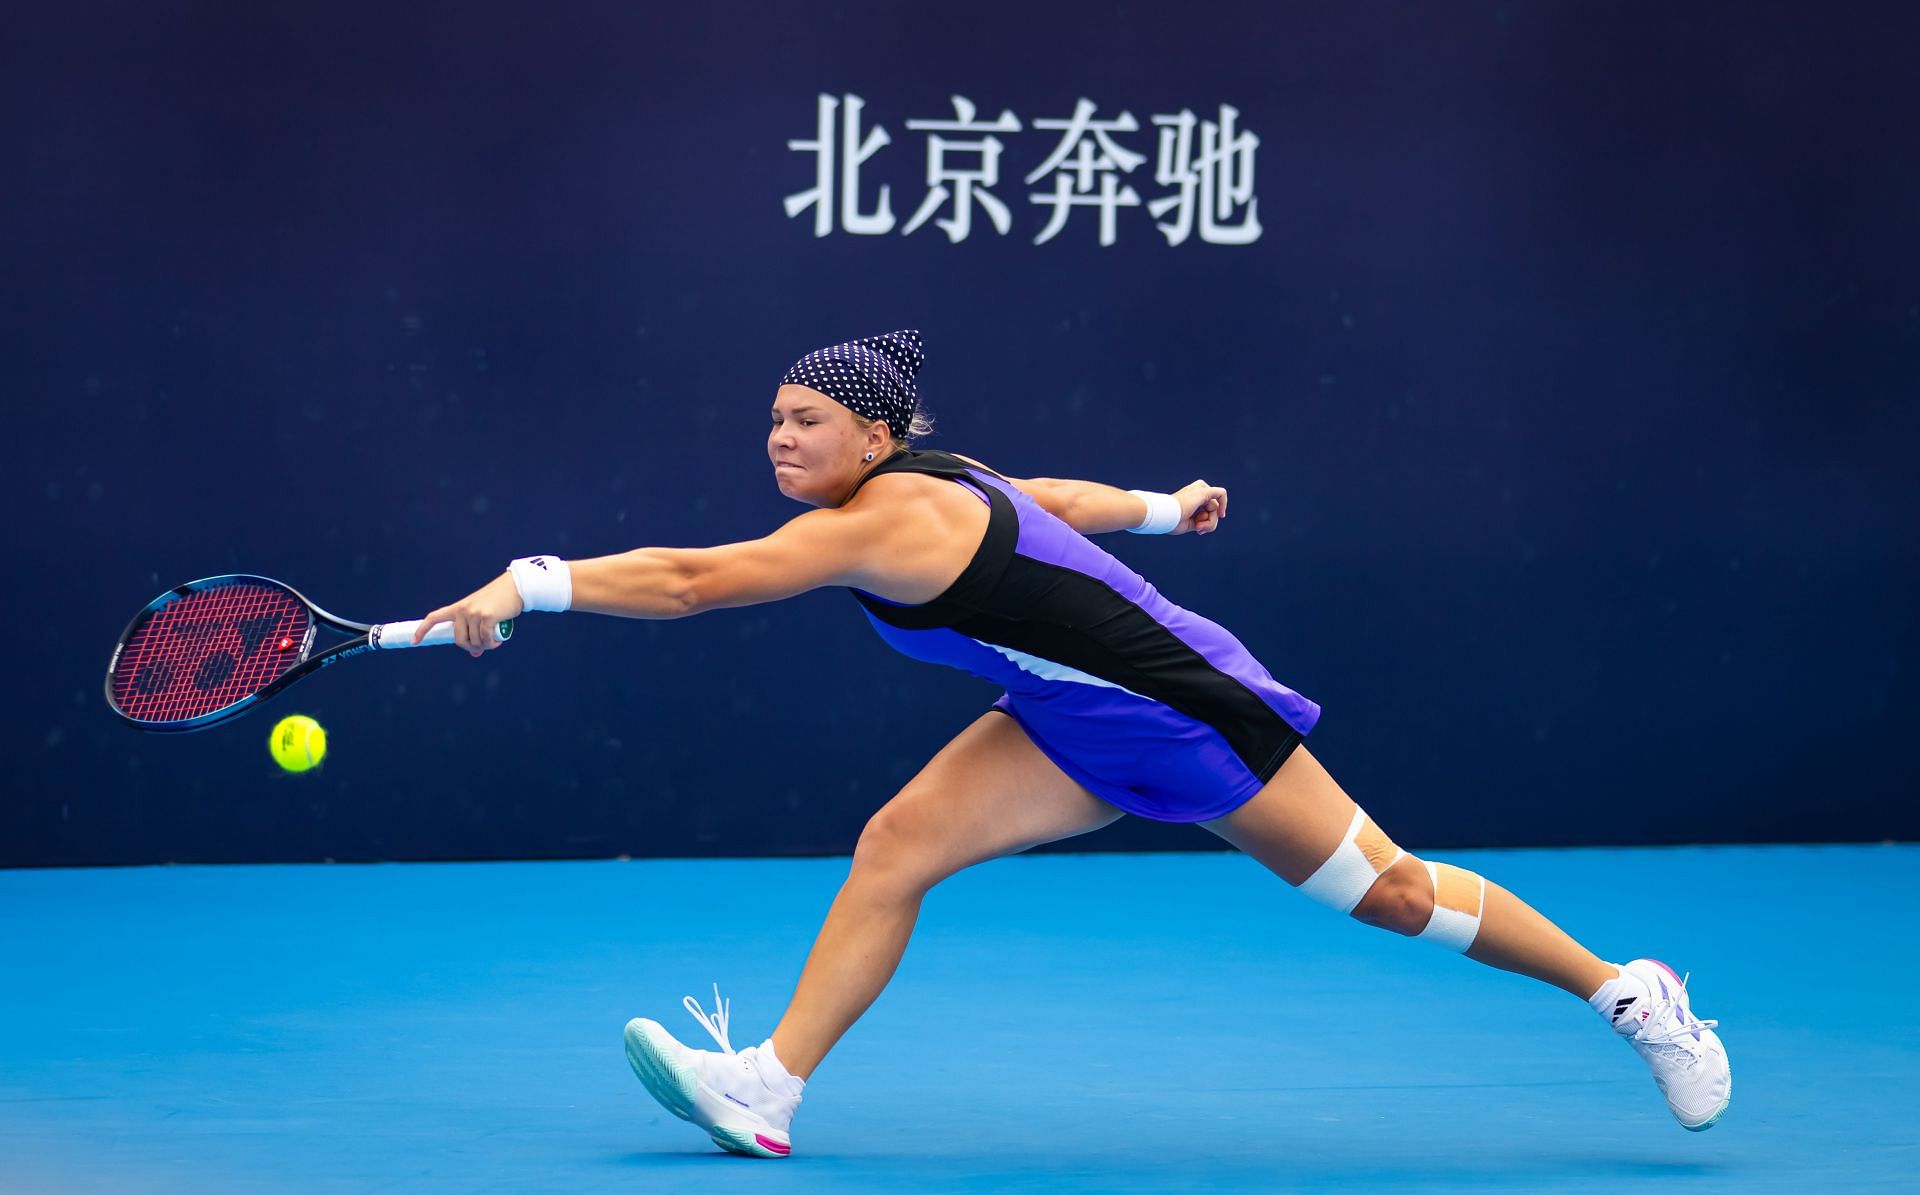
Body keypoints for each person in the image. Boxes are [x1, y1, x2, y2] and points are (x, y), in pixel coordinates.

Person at [415, 330, 1731, 1159]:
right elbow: (1061, 499)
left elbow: (697, 582)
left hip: (1185, 711)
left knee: (1385, 894)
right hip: (1062, 723)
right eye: (771, 420)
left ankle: (1629, 993)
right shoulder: (947, 479)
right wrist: (1168, 505)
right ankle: (768, 1084)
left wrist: (526, 584)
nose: (780, 437)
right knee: (896, 847)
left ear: (877, 440)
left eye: (806, 421)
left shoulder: (874, 523)